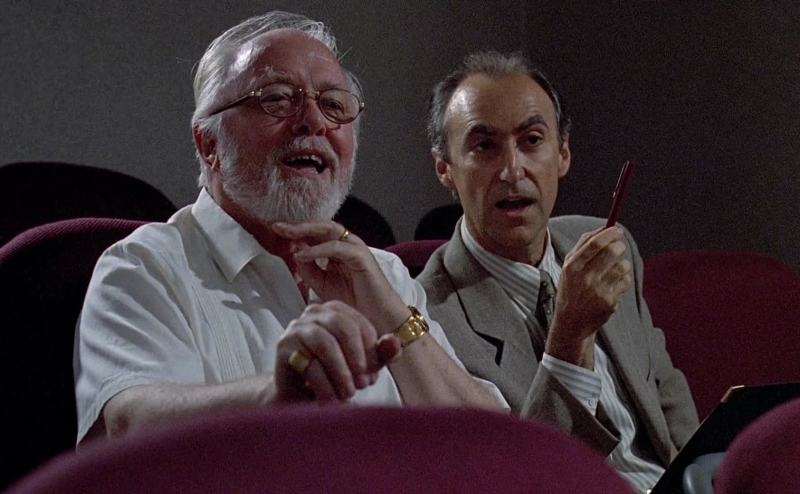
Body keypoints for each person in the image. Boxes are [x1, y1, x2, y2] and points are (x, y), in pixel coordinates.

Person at [73, 12, 504, 445]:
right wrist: (274, 397)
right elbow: (126, 424)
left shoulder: (383, 274)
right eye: (277, 100)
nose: (313, 122)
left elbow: (498, 445)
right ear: (209, 144)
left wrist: (391, 314)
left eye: (333, 105)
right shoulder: (145, 265)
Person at [417, 51, 699, 493]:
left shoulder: (610, 243)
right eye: (485, 146)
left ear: (563, 154)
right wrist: (569, 337)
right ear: (445, 169)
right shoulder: (428, 317)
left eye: (532, 140)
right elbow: (519, 481)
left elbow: (668, 401)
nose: (513, 170)